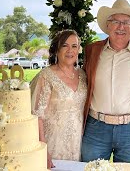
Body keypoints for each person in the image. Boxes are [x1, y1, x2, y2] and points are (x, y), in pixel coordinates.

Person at [81, 0, 130, 163]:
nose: (121, 27)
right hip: (96, 128)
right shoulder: (92, 50)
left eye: (127, 22)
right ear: (108, 25)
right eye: (116, 22)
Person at [30, 29, 87, 169]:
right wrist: (43, 150)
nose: (70, 50)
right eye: (64, 45)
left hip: (78, 144)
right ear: (56, 49)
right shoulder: (46, 76)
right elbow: (36, 116)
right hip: (53, 143)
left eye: (74, 46)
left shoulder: (83, 74)